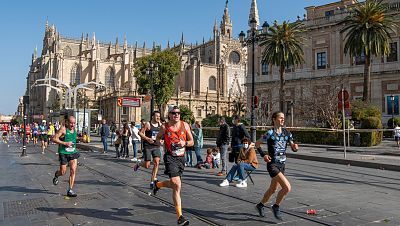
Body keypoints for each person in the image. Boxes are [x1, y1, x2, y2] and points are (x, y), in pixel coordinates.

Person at [153, 106, 194, 226]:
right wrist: (159, 141)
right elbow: (158, 138)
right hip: (170, 157)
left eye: (178, 113)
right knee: (177, 184)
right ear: (169, 114)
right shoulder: (164, 127)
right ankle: (180, 217)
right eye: (174, 113)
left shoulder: (185, 125)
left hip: (181, 158)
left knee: (175, 185)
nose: (177, 115)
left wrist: (184, 143)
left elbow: (192, 142)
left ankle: (158, 184)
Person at [254, 111, 299, 220]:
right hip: (272, 164)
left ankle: (260, 205)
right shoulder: (269, 133)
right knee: (287, 187)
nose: (283, 119)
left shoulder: (287, 133)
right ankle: (276, 206)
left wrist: (295, 148)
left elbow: (293, 146)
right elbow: (257, 144)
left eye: (283, 118)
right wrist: (263, 155)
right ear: (274, 119)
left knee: (273, 189)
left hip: (282, 165)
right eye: (280, 118)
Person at [52, 116, 81, 197]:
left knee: (73, 170)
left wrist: (81, 139)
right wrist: (65, 143)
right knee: (63, 172)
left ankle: (70, 190)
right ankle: (57, 175)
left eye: (74, 123)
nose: (73, 125)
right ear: (67, 122)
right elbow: (54, 139)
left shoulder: (75, 129)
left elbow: (73, 138)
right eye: (71, 123)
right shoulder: (63, 129)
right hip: (63, 153)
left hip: (73, 152)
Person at [135, 111, 162, 189]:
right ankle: (139, 164)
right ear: (152, 116)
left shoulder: (160, 125)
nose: (158, 118)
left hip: (156, 146)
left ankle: (152, 181)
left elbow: (162, 135)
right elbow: (140, 133)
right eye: (157, 116)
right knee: (147, 165)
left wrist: (162, 140)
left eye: (159, 116)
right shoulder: (148, 124)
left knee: (156, 162)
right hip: (148, 146)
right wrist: (147, 138)